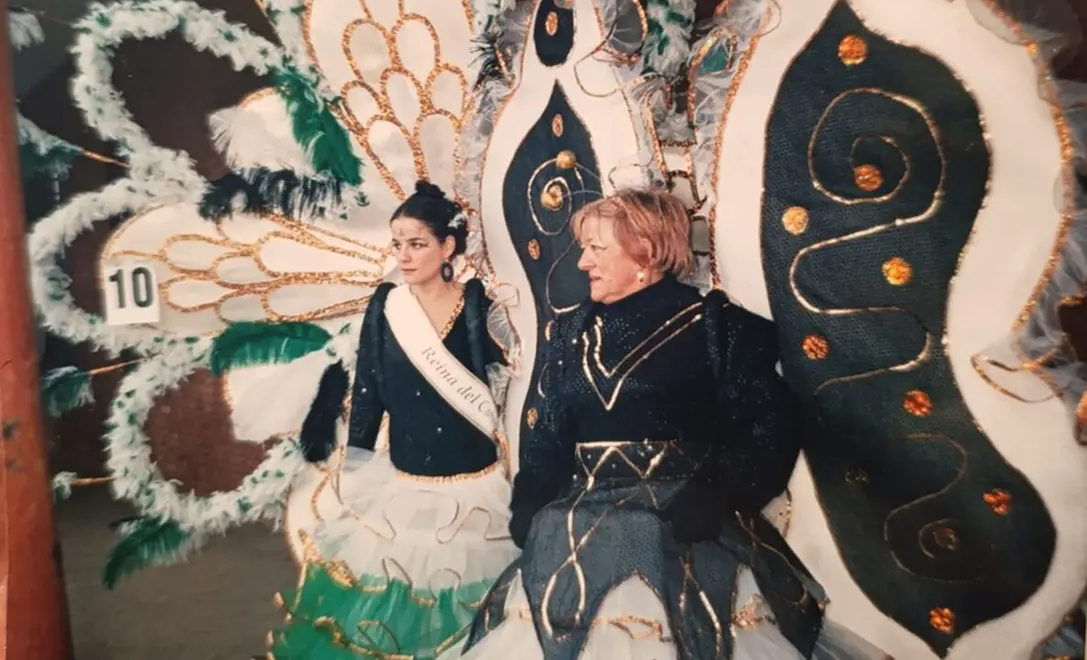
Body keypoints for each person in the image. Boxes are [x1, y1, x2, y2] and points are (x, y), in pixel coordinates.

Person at [454, 189, 885, 659]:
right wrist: (531, 502)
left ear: (646, 249)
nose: (581, 263)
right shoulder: (570, 333)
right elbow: (547, 435)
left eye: (596, 249)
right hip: (574, 541)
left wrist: (719, 495)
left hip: (686, 533)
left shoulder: (718, 327)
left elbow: (771, 427)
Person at [269, 182, 519, 659]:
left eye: (417, 243)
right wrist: (357, 462)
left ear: (448, 247)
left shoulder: (476, 305)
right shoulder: (386, 305)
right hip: (403, 482)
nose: (404, 256)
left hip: (475, 487)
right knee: (392, 606)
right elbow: (369, 388)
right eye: (398, 244)